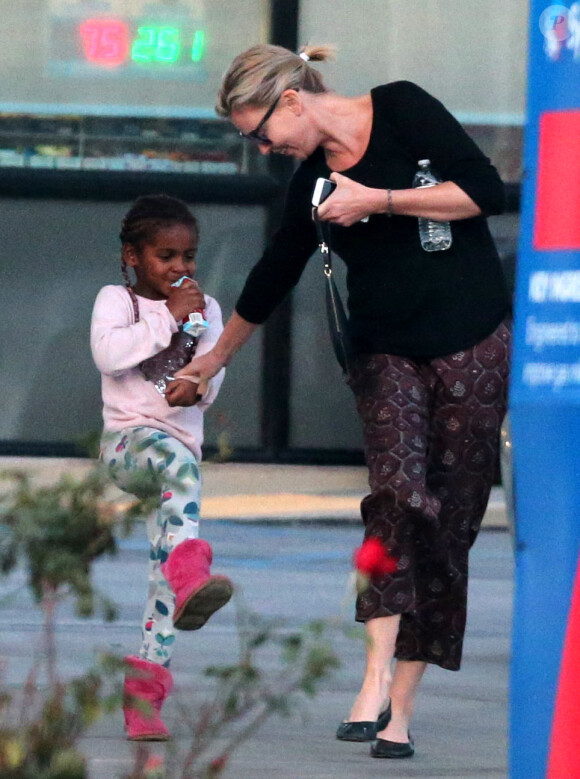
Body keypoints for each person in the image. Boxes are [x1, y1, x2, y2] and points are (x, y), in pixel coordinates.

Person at [177, 44, 511, 759]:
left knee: (450, 525)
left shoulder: (403, 107)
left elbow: (486, 190)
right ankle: (371, 673)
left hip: (473, 336)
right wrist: (212, 359)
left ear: (291, 100)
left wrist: (378, 200)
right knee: (394, 495)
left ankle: (401, 708)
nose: (263, 146)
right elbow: (273, 274)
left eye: (261, 131)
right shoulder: (310, 184)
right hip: (384, 348)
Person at [90, 194, 233, 741]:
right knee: (174, 466)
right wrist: (166, 319)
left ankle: (144, 699)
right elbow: (108, 355)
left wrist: (196, 382)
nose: (180, 268)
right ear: (132, 256)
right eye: (165, 256)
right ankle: (190, 569)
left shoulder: (207, 308)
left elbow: (210, 377)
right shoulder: (116, 300)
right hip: (128, 446)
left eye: (189, 256)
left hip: (179, 460)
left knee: (164, 579)